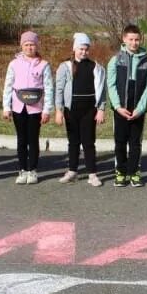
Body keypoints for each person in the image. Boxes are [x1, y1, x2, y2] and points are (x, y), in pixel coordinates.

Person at [54, 32, 106, 186]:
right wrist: (59, 110)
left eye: (86, 49)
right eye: (81, 49)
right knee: (73, 142)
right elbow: (59, 90)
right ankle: (72, 170)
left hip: (89, 110)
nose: (84, 52)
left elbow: (102, 90)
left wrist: (101, 109)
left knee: (88, 142)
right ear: (74, 49)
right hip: (71, 110)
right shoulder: (66, 67)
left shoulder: (95, 67)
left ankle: (92, 174)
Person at [3, 30, 54, 184]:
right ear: (21, 46)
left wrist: (46, 110)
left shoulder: (44, 65)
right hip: (18, 107)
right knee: (21, 140)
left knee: (33, 139)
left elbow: (48, 88)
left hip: (35, 108)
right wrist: (6, 107)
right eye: (26, 44)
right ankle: (22, 170)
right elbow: (8, 86)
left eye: (32, 44)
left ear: (36, 46)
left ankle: (32, 170)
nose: (29, 47)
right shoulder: (14, 64)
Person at [106, 24, 147, 187]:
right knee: (120, 142)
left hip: (138, 109)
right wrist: (117, 106)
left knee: (135, 143)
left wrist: (140, 109)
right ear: (124, 39)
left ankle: (134, 172)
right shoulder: (115, 60)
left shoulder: (146, 61)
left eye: (137, 39)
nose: (134, 43)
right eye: (131, 39)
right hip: (121, 108)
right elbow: (111, 85)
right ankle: (120, 171)